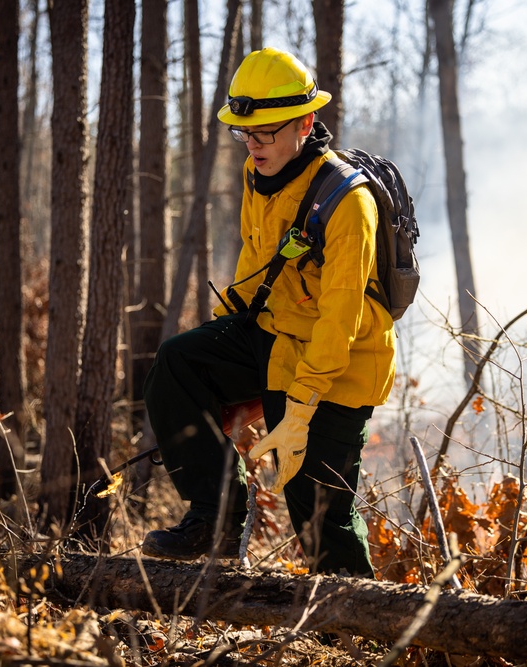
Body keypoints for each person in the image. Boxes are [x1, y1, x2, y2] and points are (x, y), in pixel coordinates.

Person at [140, 47, 396, 577]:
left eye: (265, 133)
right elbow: (256, 267)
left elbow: (341, 317)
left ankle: (365, 627)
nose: (252, 145)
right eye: (244, 133)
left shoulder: (349, 202)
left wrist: (300, 408)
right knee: (179, 363)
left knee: (319, 513)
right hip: (276, 335)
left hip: (338, 367)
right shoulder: (261, 174)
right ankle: (215, 517)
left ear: (304, 123)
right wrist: (222, 341)